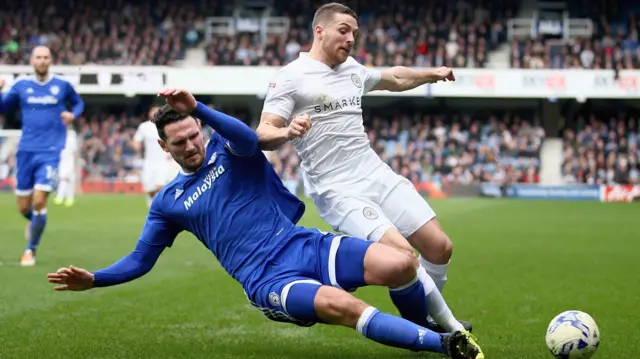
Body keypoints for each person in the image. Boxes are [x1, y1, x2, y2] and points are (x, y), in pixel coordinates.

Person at [47, 89, 483, 359]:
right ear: (165, 147)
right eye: (179, 142)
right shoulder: (168, 202)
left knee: (402, 264)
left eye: (194, 134)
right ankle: (443, 346)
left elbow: (247, 136)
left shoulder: (229, 147)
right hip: (266, 277)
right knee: (340, 306)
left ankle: (422, 332)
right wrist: (97, 279)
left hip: (301, 245)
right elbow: (141, 260)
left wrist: (199, 107)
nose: (191, 144)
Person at [256, 2, 466, 332]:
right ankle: (448, 328)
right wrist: (286, 131)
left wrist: (431, 73)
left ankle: (424, 317)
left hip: (375, 173)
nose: (351, 38)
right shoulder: (290, 77)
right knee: (403, 255)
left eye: (355, 32)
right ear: (319, 31)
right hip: (338, 190)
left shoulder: (352, 69)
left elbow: (393, 76)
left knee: (440, 247)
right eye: (344, 30)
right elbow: (263, 132)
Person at [0, 45, 84, 266]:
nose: (42, 60)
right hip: (26, 150)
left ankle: (30, 251)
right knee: (23, 207)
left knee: (39, 200)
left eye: (46, 57)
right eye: (38, 57)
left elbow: (79, 103)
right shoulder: (21, 85)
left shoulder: (62, 85)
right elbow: (3, 108)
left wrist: (72, 114)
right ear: (32, 61)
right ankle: (36, 222)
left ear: (51, 60)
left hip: (51, 150)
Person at [133, 105, 174, 208]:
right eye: (153, 111)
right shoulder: (144, 126)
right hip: (149, 162)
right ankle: (152, 208)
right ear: (149, 113)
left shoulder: (166, 126)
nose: (155, 113)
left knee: (161, 186)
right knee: (150, 189)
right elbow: (136, 141)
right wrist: (137, 150)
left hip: (163, 162)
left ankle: (162, 208)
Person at [54, 127, 79, 207]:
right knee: (66, 180)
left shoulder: (71, 139)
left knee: (65, 179)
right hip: (63, 160)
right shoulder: (61, 138)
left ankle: (61, 197)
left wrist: (75, 163)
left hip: (69, 160)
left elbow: (75, 152)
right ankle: (68, 198)